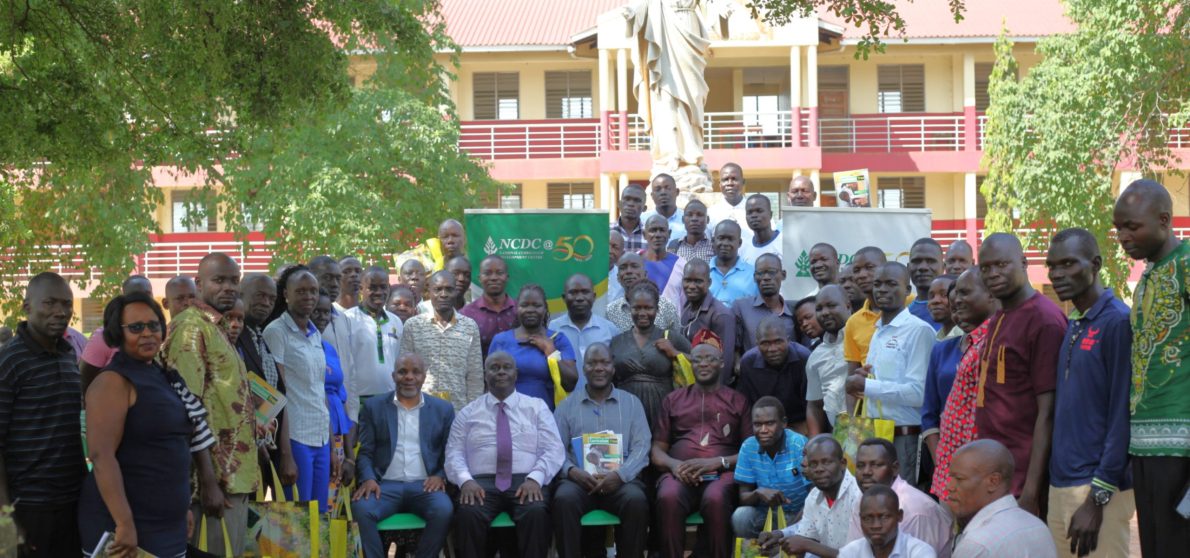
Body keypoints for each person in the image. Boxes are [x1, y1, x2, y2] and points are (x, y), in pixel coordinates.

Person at [78, 293, 217, 557]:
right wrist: (124, 523)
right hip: (124, 526)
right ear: (116, 334)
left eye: (154, 325)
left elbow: (171, 446)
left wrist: (182, 507)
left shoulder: (161, 374)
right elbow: (102, 456)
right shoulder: (112, 382)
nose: (147, 333)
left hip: (168, 525)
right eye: (135, 327)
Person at [1044, 228, 1135, 558]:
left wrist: (1097, 498)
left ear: (1095, 264)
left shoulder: (1118, 322)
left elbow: (1122, 415)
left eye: (1068, 263)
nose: (1057, 274)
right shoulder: (1074, 323)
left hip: (1097, 491)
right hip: (1061, 485)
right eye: (1052, 266)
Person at [1112, 179, 1190, 555]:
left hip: (1181, 445)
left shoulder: (1187, 264)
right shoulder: (1148, 276)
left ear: (1163, 220)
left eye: (1132, 226)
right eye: (1119, 228)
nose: (1124, 236)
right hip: (1144, 446)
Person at [163, 253, 258, 556]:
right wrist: (208, 481)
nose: (229, 287)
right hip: (215, 482)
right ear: (199, 284)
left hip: (234, 476)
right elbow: (186, 409)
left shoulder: (216, 327)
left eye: (234, 281)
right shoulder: (190, 328)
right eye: (219, 280)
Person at [976, 233, 1065, 516]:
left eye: (1001, 264)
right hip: (996, 473)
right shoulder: (1000, 315)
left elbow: (1048, 413)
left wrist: (1031, 491)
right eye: (985, 268)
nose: (993, 274)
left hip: (1025, 479)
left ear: (1024, 263)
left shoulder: (1044, 320)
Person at [0, 272, 87, 557]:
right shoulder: (9, 361)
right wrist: (6, 517)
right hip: (29, 507)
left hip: (73, 500)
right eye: (49, 303)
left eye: (66, 304)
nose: (60, 312)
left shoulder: (67, 355)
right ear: (27, 307)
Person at [446, 351, 565, 558]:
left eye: (506, 367)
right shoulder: (468, 412)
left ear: (516, 374)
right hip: (480, 484)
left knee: (535, 511)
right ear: (485, 375)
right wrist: (465, 481)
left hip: (526, 480)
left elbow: (553, 449)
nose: (501, 372)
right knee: (468, 512)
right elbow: (453, 453)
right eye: (494, 368)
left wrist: (536, 479)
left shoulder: (536, 407)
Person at [551, 343, 652, 558]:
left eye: (605, 362)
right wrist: (571, 471)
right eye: (592, 363)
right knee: (563, 500)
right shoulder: (566, 406)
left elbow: (642, 446)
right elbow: (555, 449)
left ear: (613, 368)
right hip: (579, 482)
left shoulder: (632, 404)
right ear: (583, 369)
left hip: (621, 483)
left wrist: (620, 475)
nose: (599, 368)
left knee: (636, 501)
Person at [652, 342, 751, 558]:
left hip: (722, 475)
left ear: (722, 363)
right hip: (680, 475)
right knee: (668, 495)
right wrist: (675, 465)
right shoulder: (673, 400)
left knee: (715, 498)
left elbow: (750, 451)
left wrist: (718, 462)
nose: (703, 364)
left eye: (710, 359)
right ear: (690, 363)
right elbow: (657, 451)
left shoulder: (738, 400)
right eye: (697, 359)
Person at [351, 353, 455, 558]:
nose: (409, 377)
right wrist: (369, 478)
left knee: (443, 510)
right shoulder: (374, 407)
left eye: (415, 372)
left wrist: (440, 474)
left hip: (425, 486)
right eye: (402, 372)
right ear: (393, 376)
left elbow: (451, 452)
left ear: (424, 377)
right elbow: (365, 451)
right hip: (384, 485)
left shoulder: (442, 409)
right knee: (361, 509)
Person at [845, 263, 936, 486]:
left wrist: (867, 387)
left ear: (907, 290)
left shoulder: (919, 330)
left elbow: (918, 393)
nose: (882, 289)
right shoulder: (878, 331)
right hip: (874, 434)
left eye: (891, 284)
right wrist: (865, 380)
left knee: (902, 504)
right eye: (877, 284)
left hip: (906, 437)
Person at [264, 267, 332, 511]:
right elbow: (278, 394)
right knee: (299, 519)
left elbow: (320, 389)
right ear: (285, 294)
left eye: (313, 291)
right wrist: (286, 453)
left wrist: (333, 447)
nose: (308, 296)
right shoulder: (276, 332)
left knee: (320, 514)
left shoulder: (315, 334)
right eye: (300, 291)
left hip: (321, 435)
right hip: (295, 438)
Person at [929, 269, 997, 500]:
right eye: (954, 298)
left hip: (984, 468)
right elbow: (930, 411)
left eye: (964, 293)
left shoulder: (997, 341)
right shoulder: (945, 349)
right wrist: (943, 458)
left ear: (991, 295)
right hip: (949, 465)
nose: (955, 301)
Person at [236, 274, 298, 493]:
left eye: (271, 299)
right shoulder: (233, 336)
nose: (266, 303)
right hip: (244, 450)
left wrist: (284, 452)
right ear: (240, 294)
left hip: (267, 446)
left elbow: (277, 397)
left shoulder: (259, 336)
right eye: (260, 296)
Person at [946, 440, 1056, 557]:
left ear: (993, 481)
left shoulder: (977, 544)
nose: (949, 487)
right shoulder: (1038, 527)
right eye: (950, 478)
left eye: (959, 479)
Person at [759, 436, 863, 558]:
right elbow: (804, 537)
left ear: (842, 464)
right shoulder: (813, 496)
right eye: (813, 464)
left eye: (826, 462)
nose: (819, 469)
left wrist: (806, 545)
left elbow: (858, 555)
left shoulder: (859, 496)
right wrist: (780, 539)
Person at [400, 271, 485, 413]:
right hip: (420, 409)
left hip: (458, 411)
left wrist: (472, 412)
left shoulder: (470, 327)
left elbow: (475, 376)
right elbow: (404, 372)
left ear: (456, 292)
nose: (443, 294)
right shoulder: (413, 326)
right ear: (429, 292)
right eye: (438, 289)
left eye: (449, 289)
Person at [850, 439, 953, 556]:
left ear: (895, 468)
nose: (866, 472)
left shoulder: (915, 510)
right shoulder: (862, 499)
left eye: (876, 465)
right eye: (860, 466)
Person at [610, 282, 692, 428]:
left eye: (648, 308)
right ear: (630, 309)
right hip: (626, 412)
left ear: (657, 309)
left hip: (663, 412)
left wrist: (675, 353)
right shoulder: (617, 341)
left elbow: (700, 362)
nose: (642, 313)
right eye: (637, 308)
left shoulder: (670, 337)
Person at [732, 397, 813, 538]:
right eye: (757, 424)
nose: (763, 430)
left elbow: (815, 495)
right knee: (741, 517)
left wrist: (787, 532)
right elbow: (743, 497)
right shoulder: (748, 447)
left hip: (802, 514)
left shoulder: (799, 444)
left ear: (784, 423)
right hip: (768, 514)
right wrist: (758, 493)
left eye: (770, 423)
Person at [489, 284, 578, 409]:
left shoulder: (558, 339)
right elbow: (490, 383)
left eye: (537, 305)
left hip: (546, 416)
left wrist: (551, 352)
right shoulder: (500, 340)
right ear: (516, 308)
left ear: (545, 309)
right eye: (524, 305)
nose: (530, 310)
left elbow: (571, 383)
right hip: (508, 413)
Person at [345, 266, 403, 424]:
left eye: (383, 287)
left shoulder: (395, 321)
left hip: (390, 400)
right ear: (361, 289)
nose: (379, 292)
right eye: (372, 287)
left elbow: (397, 360)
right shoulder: (348, 319)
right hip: (358, 402)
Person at [737, 317, 812, 434]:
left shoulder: (804, 358)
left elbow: (812, 404)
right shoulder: (748, 362)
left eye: (778, 342)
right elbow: (747, 406)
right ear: (757, 344)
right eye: (765, 343)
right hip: (764, 425)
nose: (772, 349)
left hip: (801, 423)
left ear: (788, 340)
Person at [80, 274, 154, 390]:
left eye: (147, 294)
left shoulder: (158, 334)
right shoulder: (104, 337)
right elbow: (84, 382)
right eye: (134, 296)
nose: (142, 301)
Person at [311, 290, 352, 492]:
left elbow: (341, 399)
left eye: (326, 312)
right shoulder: (301, 347)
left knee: (334, 499)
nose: (322, 317)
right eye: (316, 311)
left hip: (337, 431)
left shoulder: (329, 349)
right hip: (316, 431)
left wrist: (350, 456)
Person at [550, 273, 617, 391]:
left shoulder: (610, 329)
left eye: (585, 292)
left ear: (594, 296)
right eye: (573, 292)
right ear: (564, 298)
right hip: (564, 401)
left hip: (600, 402)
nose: (579, 298)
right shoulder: (553, 328)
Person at [309, 256, 358, 406]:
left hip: (343, 409)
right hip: (316, 407)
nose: (334, 284)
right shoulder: (304, 319)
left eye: (338, 278)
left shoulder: (343, 319)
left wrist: (353, 414)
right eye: (327, 278)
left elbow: (350, 369)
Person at [806, 285, 854, 435]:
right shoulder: (815, 356)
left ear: (848, 306)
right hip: (839, 434)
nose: (825, 313)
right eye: (819, 309)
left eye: (831, 306)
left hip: (871, 429)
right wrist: (814, 442)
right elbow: (814, 405)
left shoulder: (865, 338)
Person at [839, 485, 937, 558]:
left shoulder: (920, 552)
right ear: (860, 519)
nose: (876, 526)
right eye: (868, 518)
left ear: (899, 516)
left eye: (884, 517)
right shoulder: (849, 553)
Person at [679, 258, 737, 381]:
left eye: (698, 281)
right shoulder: (686, 307)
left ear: (709, 282)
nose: (691, 286)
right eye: (687, 280)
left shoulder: (720, 315)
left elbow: (724, 363)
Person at [733, 253, 796, 354]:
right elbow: (735, 348)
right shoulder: (741, 307)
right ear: (754, 277)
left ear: (783, 275)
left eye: (772, 272)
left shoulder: (795, 310)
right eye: (760, 273)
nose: (766, 278)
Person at [460, 255, 518, 358]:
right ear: (479, 278)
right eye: (487, 273)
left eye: (499, 273)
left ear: (507, 277)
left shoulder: (520, 310)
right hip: (480, 373)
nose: (494, 278)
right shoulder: (466, 315)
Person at [607, 252, 679, 332]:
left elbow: (676, 341)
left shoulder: (666, 307)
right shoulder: (610, 311)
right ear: (618, 278)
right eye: (623, 268)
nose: (628, 271)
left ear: (645, 274)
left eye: (634, 266)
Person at [843, 246, 888, 372]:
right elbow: (853, 376)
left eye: (869, 268)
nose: (862, 275)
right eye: (856, 270)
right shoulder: (853, 322)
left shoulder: (910, 304)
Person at [709, 220, 758, 307]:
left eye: (730, 239)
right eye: (721, 238)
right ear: (713, 241)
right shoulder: (702, 272)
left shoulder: (753, 274)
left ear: (739, 243)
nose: (725, 243)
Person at [641, 214, 686, 305]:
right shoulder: (634, 262)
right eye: (653, 230)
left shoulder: (681, 265)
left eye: (662, 230)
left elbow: (685, 304)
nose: (657, 235)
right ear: (644, 235)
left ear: (669, 234)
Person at [907, 239, 946, 331]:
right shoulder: (904, 316)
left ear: (943, 267)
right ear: (908, 268)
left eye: (930, 261)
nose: (922, 267)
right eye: (916, 261)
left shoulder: (956, 312)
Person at [707, 163, 749, 240]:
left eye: (734, 179)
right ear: (720, 184)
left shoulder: (755, 211)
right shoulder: (710, 213)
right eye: (725, 179)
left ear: (743, 182)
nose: (730, 183)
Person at [642, 173, 686, 243]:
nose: (663, 192)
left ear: (677, 192)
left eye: (668, 188)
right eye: (658, 189)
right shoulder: (642, 220)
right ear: (652, 195)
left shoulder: (687, 220)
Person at [739, 194, 782, 265]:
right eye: (749, 212)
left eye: (759, 211)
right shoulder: (742, 248)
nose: (754, 215)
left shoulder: (784, 244)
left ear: (770, 214)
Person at [668, 198, 713, 263]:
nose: (694, 219)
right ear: (683, 219)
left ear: (707, 220)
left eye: (699, 215)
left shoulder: (714, 247)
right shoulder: (674, 246)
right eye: (689, 215)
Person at [611, 184, 648, 253]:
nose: (631, 204)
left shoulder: (650, 235)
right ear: (619, 204)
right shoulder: (606, 231)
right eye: (627, 199)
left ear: (644, 208)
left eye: (637, 200)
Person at [927, 275, 962, 341]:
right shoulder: (935, 339)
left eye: (944, 295)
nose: (935, 300)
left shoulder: (965, 338)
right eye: (931, 296)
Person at [605, 231, 627, 309]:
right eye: (605, 245)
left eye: (615, 247)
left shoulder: (625, 277)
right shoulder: (585, 273)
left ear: (622, 253)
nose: (609, 250)